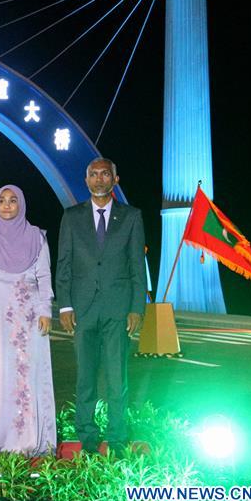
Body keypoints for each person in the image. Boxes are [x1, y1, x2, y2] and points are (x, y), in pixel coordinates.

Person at [56, 158, 145, 453]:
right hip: (82, 311)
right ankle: (88, 438)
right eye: (93, 174)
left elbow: (136, 264)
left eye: (105, 174)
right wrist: (65, 306)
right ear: (86, 181)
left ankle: (118, 439)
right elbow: (64, 264)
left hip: (118, 310)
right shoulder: (71, 217)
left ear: (115, 179)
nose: (99, 179)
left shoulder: (131, 217)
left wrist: (137, 307)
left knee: (116, 377)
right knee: (85, 378)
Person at [0, 185, 55, 456]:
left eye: (13, 201)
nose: (7, 206)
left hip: (27, 314)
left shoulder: (36, 237)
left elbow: (43, 276)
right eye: (2, 201)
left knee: (26, 374)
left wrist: (45, 310)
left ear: (22, 205)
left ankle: (29, 438)